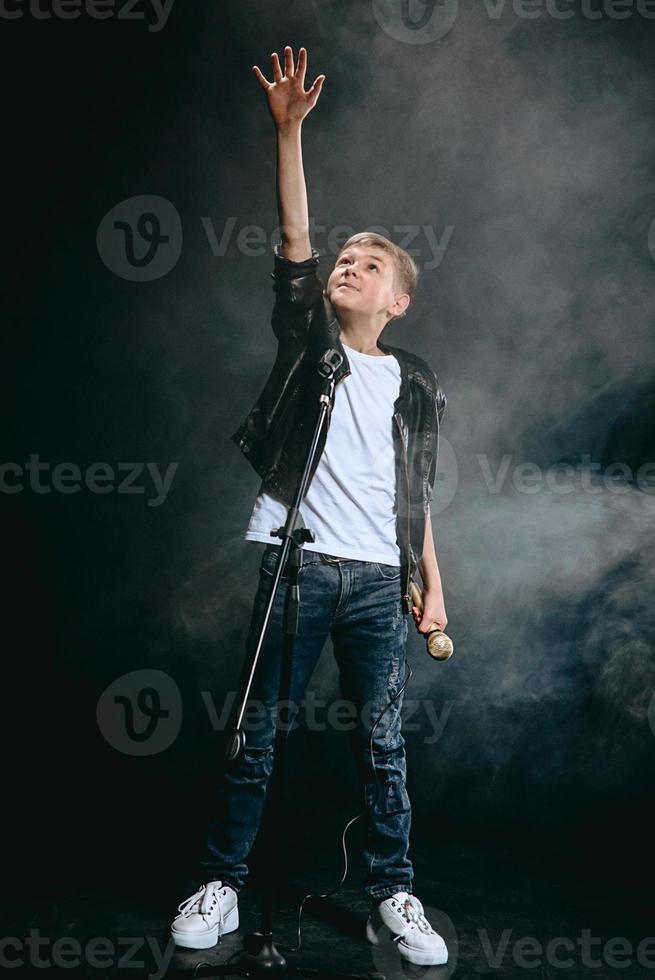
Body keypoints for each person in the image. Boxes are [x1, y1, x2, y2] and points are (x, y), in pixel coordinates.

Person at [170, 46, 449, 968]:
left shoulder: (412, 380)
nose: (347, 263)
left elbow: (416, 495)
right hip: (296, 565)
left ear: (398, 300)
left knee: (381, 747)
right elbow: (294, 238)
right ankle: (221, 885)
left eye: (369, 263)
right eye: (345, 256)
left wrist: (430, 588)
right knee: (256, 733)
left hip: (376, 580)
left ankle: (394, 895)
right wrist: (287, 132)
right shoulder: (307, 346)